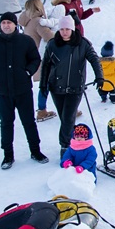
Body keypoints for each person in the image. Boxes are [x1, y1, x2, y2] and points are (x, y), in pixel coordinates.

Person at [0, 12, 47, 169]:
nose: (6, 25)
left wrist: (28, 72)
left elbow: (35, 59)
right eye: (3, 23)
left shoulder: (25, 41)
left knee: (29, 121)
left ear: (15, 24)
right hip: (2, 91)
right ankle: (8, 155)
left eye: (9, 23)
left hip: (23, 89)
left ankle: (35, 151)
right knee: (6, 123)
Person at [40, 15, 103, 158]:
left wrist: (99, 77)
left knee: (68, 117)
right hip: (57, 87)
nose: (64, 32)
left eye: (67, 29)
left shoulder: (82, 43)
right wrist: (43, 85)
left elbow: (94, 59)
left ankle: (65, 146)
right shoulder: (52, 44)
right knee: (64, 117)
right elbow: (45, 65)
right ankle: (75, 139)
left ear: (72, 29)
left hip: (75, 87)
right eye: (62, 29)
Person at [18, 0, 57, 122]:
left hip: (32, 58)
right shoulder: (38, 22)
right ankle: (60, 109)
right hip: (42, 58)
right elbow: (49, 37)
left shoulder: (28, 22)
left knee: (45, 85)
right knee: (54, 84)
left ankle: (42, 110)